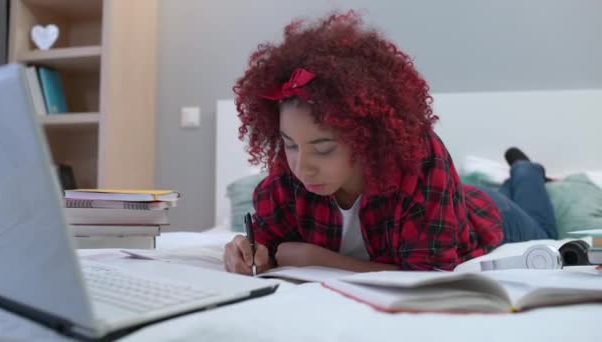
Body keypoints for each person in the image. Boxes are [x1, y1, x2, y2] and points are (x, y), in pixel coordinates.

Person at [223, 11, 557, 275]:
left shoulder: (419, 158)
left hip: (487, 215)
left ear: (367, 137)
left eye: (324, 147)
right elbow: (267, 240)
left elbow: (429, 274)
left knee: (544, 229)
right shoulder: (291, 169)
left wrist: (319, 259)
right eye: (289, 145)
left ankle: (526, 170)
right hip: (449, 200)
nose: (301, 166)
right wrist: (249, 252)